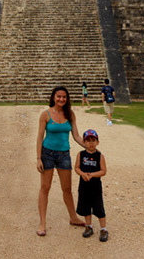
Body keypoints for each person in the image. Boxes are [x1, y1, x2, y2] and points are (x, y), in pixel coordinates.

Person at [36, 86, 87, 237]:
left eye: (64, 97)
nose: (61, 99)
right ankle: (42, 223)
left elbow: (76, 135)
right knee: (45, 188)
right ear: (53, 97)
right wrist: (38, 158)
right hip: (47, 154)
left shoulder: (70, 114)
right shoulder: (45, 114)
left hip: (64, 154)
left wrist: (89, 147)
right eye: (58, 96)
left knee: (67, 189)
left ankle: (73, 217)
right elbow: (39, 137)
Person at [74, 129, 108, 242]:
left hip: (96, 187)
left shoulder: (100, 156)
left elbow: (103, 171)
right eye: (88, 140)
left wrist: (92, 175)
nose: (91, 143)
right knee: (86, 207)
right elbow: (77, 168)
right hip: (84, 186)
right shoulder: (81, 154)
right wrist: (83, 174)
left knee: (98, 207)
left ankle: (103, 229)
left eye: (93, 140)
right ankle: (89, 226)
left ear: (97, 142)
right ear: (84, 142)